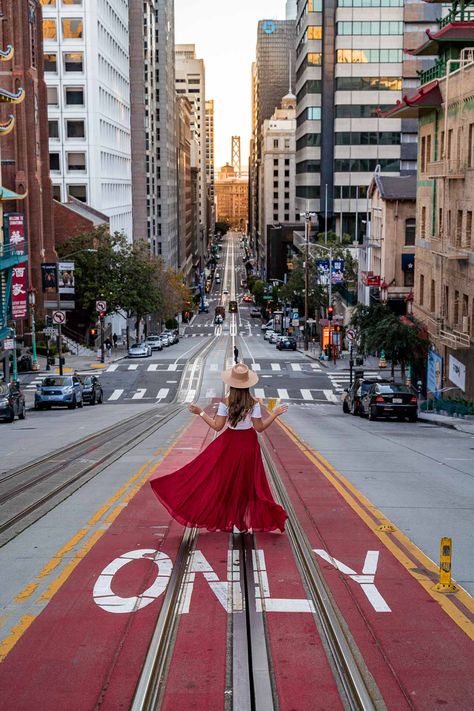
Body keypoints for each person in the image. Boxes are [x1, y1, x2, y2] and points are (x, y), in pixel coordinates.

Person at [150, 363, 288, 533]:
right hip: (248, 445)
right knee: (247, 483)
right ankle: (241, 522)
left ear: (231, 383)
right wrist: (275, 414)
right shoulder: (254, 403)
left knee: (225, 481)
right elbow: (259, 428)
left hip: (229, 444)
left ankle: (232, 521)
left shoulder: (226, 402)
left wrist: (200, 412)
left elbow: (217, 426)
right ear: (248, 384)